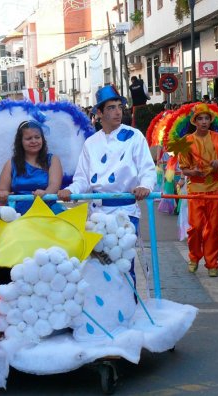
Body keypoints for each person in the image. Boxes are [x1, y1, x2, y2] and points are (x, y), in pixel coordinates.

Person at [58, 85, 155, 285]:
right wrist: (70, 190)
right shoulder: (91, 143)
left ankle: (129, 309)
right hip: (97, 213)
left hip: (126, 210)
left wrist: (145, 186)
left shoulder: (134, 136)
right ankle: (108, 312)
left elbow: (147, 168)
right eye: (111, 107)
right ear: (99, 113)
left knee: (123, 263)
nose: (118, 112)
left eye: (120, 107)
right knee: (100, 265)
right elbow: (82, 179)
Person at [177, 103, 218, 277]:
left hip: (215, 188)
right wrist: (193, 172)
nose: (203, 122)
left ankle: (212, 263)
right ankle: (194, 258)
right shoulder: (186, 142)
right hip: (195, 189)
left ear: (210, 120)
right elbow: (183, 169)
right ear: (194, 121)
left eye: (206, 118)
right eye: (200, 119)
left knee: (214, 228)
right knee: (195, 227)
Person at [0, 120, 63, 214]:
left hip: (47, 210)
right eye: (28, 138)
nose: (34, 141)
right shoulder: (11, 163)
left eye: (37, 137)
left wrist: (45, 194)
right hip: (17, 214)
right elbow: (2, 191)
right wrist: (2, 195)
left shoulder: (53, 160)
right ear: (20, 142)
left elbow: (54, 186)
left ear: (42, 139)